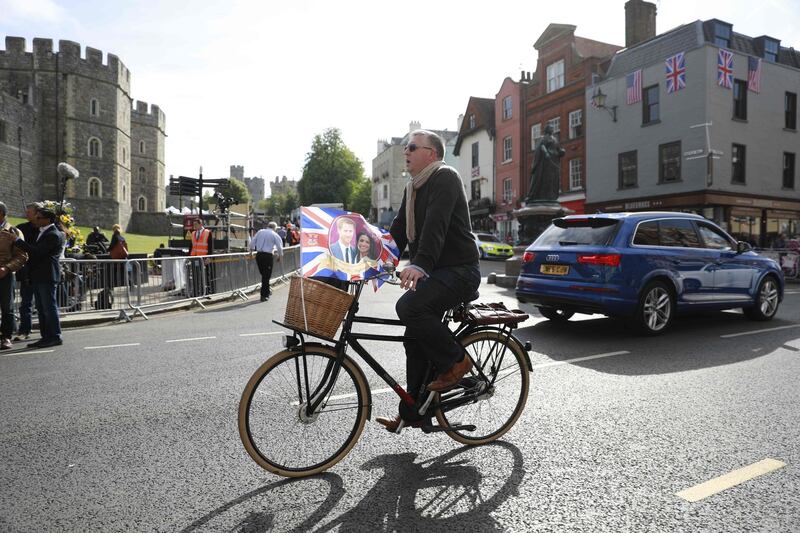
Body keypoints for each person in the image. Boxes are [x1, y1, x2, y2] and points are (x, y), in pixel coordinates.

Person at [377, 130, 481, 432]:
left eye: (411, 147)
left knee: (409, 307)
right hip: (439, 273)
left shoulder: (445, 177)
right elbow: (396, 233)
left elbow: (436, 225)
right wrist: (370, 262)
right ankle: (415, 411)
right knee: (414, 338)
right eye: (405, 146)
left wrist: (420, 264)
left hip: (460, 271)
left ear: (431, 154)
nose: (405, 151)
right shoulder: (413, 190)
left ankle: (457, 361)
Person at [0, 206, 66, 348]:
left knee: (49, 308)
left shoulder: (53, 234)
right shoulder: (42, 232)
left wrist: (16, 240)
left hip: (46, 275)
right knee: (42, 308)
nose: (35, 220)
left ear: (47, 219)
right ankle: (46, 336)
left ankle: (54, 336)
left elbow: (37, 252)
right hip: (38, 275)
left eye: (38, 217)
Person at [0, 202, 28, 350]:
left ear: (2, 214)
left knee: (7, 308)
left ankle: (6, 337)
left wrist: (7, 268)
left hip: (4, 274)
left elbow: (22, 256)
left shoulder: (13, 231)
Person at [13, 202, 41, 342]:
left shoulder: (45, 229)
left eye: (29, 211)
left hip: (41, 271)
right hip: (27, 271)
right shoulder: (21, 228)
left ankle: (48, 331)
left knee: (43, 304)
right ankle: (25, 329)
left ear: (37, 213)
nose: (26, 213)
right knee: (25, 303)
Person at [525, 123, 565, 203]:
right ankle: (538, 195)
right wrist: (546, 153)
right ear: (547, 130)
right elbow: (542, 146)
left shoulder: (555, 139)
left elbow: (558, 148)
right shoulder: (544, 138)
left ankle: (551, 195)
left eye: (552, 128)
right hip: (546, 162)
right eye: (551, 128)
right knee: (545, 178)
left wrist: (562, 151)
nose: (552, 129)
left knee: (552, 179)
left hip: (553, 161)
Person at [249, 221, 284, 301]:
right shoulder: (275, 234)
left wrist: (251, 251)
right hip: (267, 256)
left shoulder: (260, 232)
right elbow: (279, 246)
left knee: (264, 275)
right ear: (275, 228)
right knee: (266, 276)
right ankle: (264, 295)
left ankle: (267, 291)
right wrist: (280, 256)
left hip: (259, 255)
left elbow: (253, 241)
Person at [188, 218, 214, 295]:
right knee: (195, 275)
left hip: (204, 258)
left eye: (196, 224)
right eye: (194, 224)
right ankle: (196, 292)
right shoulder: (193, 233)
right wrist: (189, 257)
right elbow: (191, 246)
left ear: (200, 224)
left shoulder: (207, 232)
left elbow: (210, 246)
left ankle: (207, 292)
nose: (194, 226)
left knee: (206, 275)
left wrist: (209, 257)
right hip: (195, 258)